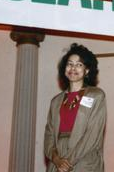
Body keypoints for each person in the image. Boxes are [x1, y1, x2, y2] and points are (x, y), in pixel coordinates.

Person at [44, 43, 107, 172]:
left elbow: (92, 134)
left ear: (87, 70)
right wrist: (56, 159)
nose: (73, 68)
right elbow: (49, 134)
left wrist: (68, 162)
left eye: (79, 65)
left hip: (84, 160)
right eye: (70, 64)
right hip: (57, 162)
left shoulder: (97, 95)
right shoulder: (55, 101)